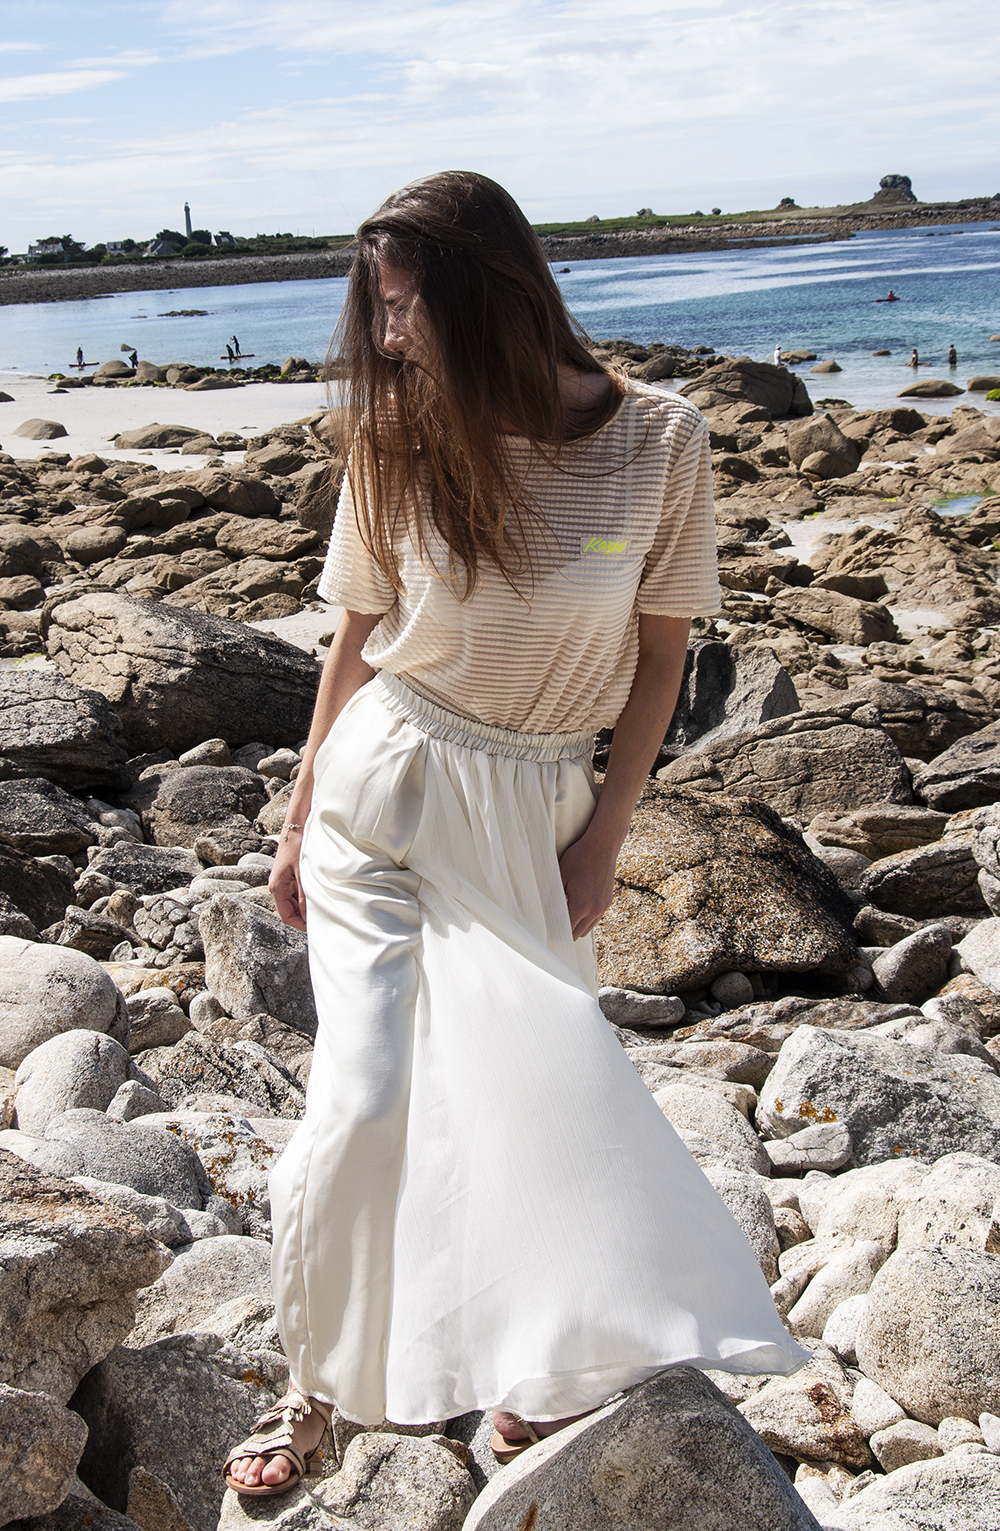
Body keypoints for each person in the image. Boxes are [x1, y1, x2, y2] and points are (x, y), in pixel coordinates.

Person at [223, 171, 807, 1499]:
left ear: (487, 294)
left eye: (403, 305)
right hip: (387, 791)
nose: (387, 337)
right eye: (377, 307)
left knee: (537, 1091)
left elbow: (661, 657)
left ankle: (533, 1365)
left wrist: (605, 839)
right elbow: (355, 640)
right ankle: (316, 1384)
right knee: (366, 1094)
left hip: (539, 806)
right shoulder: (394, 440)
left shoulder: (660, 442)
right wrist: (300, 815)